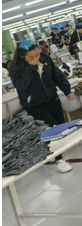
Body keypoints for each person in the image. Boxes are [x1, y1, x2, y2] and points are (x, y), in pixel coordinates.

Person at [9, 40, 75, 173]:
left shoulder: (45, 58)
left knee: (60, 125)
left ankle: (54, 153)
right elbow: (21, 86)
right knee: (51, 128)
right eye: (31, 57)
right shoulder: (15, 67)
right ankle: (59, 160)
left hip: (52, 98)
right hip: (34, 104)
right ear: (22, 56)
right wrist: (29, 68)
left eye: (37, 55)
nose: (36, 58)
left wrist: (66, 90)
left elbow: (57, 75)